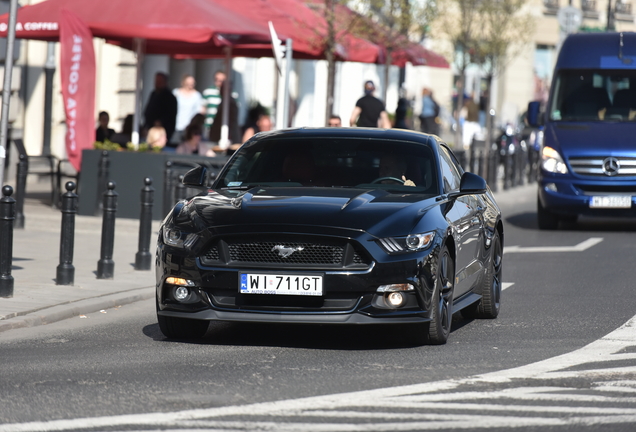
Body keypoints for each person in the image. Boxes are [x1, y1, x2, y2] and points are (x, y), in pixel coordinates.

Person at [143, 72, 177, 148]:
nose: (157, 83)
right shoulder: (153, 94)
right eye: (156, 81)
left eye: (159, 82)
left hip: (162, 129)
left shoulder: (169, 97)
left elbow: (170, 114)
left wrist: (160, 122)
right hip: (151, 127)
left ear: (165, 82)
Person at [173, 74, 204, 145]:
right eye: (188, 83)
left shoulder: (197, 95)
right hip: (177, 127)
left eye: (192, 83)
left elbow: (199, 111)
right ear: (183, 83)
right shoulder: (176, 93)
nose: (190, 85)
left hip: (189, 129)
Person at [209, 81, 241, 146]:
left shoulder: (230, 104)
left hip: (229, 138)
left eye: (222, 88)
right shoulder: (225, 102)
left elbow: (231, 123)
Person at [202, 70, 226, 135]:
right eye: (217, 79)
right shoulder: (208, 92)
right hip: (209, 126)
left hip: (224, 128)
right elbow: (203, 109)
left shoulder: (231, 93)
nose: (219, 82)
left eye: (221, 80)